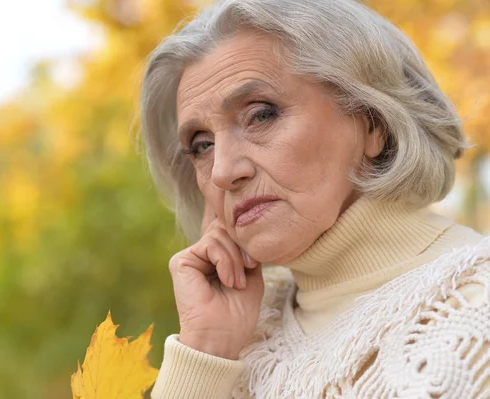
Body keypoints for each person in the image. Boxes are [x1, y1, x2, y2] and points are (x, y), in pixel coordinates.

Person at [139, 0, 490, 397]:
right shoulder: (235, 339)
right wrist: (206, 350)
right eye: (202, 145)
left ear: (372, 121)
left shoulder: (476, 314)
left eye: (260, 115)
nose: (222, 171)